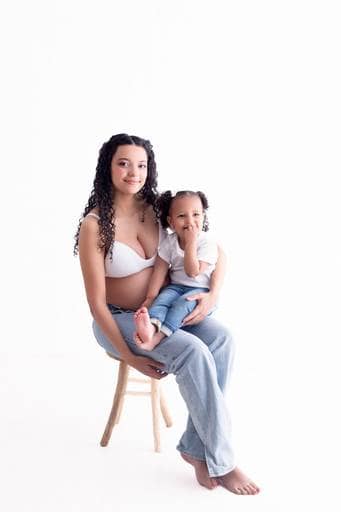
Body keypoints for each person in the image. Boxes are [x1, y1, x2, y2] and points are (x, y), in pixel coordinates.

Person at [74, 133, 260, 495]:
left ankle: (195, 449)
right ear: (107, 167)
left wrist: (212, 294)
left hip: (165, 308)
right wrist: (129, 355)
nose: (134, 172)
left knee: (222, 338)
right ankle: (223, 462)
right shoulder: (94, 225)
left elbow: (215, 247)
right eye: (124, 163)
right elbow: (96, 304)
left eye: (141, 164)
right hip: (116, 319)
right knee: (192, 351)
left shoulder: (158, 208)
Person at [133, 189, 218, 351]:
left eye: (196, 214)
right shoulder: (170, 243)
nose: (190, 221)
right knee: (162, 300)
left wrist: (191, 243)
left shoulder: (206, 243)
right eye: (181, 216)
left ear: (203, 217)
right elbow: (159, 270)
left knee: (181, 305)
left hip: (199, 290)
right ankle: (151, 326)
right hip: (176, 287)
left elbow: (192, 272)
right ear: (171, 223)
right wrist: (150, 297)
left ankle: (157, 338)